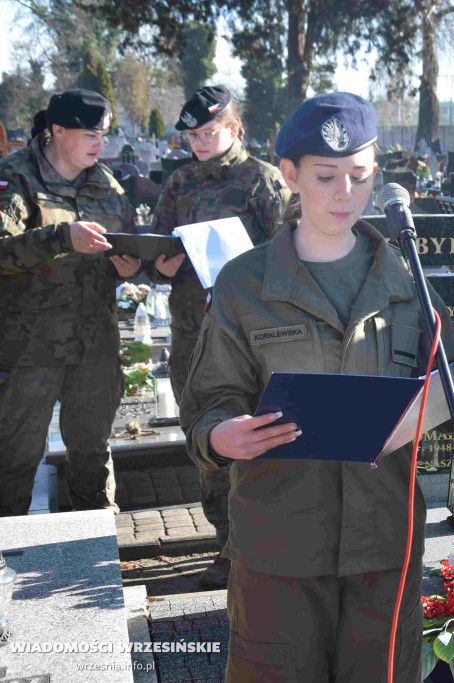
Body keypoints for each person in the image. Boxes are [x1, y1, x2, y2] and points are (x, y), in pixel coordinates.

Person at [178, 92, 454, 682]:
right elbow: (209, 401)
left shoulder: (404, 281)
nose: (344, 193)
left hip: (384, 545)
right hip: (280, 544)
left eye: (359, 176)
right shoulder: (245, 284)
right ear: (289, 176)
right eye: (326, 177)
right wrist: (222, 436)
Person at [146, 85, 291, 588]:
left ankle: (248, 549)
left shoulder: (263, 181)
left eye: (209, 132)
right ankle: (224, 541)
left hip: (252, 339)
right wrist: (160, 264)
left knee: (252, 437)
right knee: (207, 439)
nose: (200, 142)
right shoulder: (179, 182)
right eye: (192, 135)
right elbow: (157, 256)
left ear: (235, 129)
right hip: (193, 333)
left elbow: (288, 257)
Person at [0, 89, 140, 516]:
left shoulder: (106, 183)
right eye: (90, 134)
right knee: (15, 457)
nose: (101, 144)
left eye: (105, 134)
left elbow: (128, 242)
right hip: (30, 348)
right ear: (57, 131)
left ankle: (95, 548)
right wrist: (61, 238)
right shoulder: (16, 175)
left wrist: (131, 266)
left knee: (93, 452)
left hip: (94, 345)